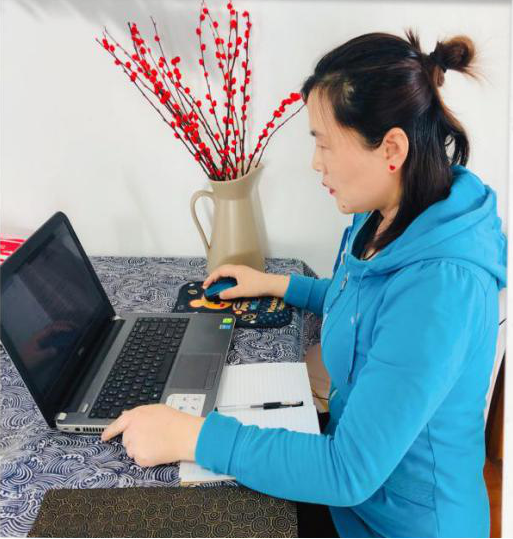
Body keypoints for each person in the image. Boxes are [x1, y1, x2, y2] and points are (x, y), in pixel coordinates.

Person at [102, 28, 507, 538]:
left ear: (392, 148)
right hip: (358, 487)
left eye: (324, 143)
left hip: (398, 522)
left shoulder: (441, 290)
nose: (316, 163)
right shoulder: (385, 213)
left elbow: (347, 472)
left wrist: (194, 438)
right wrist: (276, 284)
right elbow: (362, 306)